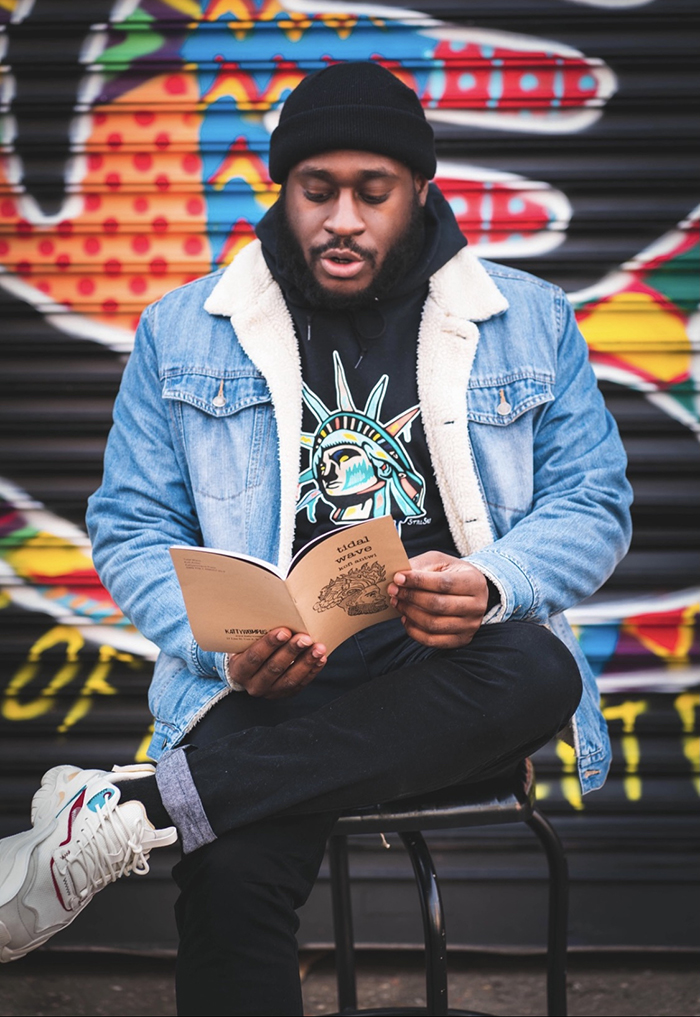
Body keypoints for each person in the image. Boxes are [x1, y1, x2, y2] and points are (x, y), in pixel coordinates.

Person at [0, 62, 632, 1014]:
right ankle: (187, 806)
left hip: (445, 678)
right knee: (226, 874)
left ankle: (138, 808)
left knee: (541, 671)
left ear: (420, 190)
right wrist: (227, 648)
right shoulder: (184, 330)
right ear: (283, 190)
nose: (343, 219)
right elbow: (130, 525)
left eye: (371, 193)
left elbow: (595, 502)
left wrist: (492, 581)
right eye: (317, 191)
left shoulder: (527, 320)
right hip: (276, 688)